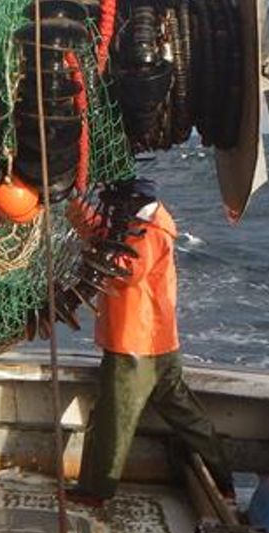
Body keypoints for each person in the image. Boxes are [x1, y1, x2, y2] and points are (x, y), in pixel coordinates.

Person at [69, 178, 232, 507]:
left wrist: (94, 257)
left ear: (131, 204)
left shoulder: (151, 232)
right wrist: (74, 203)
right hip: (160, 341)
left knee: (114, 418)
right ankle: (223, 478)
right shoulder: (144, 221)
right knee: (183, 411)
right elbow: (101, 232)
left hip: (134, 344)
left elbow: (126, 271)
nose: (111, 212)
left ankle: (97, 491)